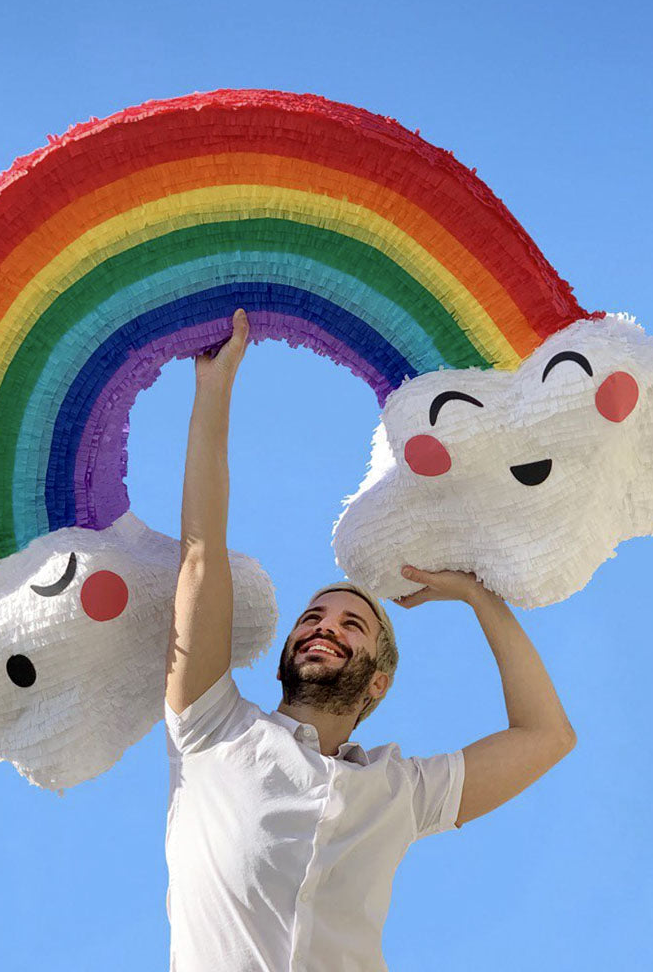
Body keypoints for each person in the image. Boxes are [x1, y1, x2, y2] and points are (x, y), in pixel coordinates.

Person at [164, 309, 576, 972]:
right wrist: (215, 390)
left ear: (378, 680)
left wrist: (480, 597)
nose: (325, 624)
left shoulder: (401, 794)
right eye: (313, 618)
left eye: (352, 624)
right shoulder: (212, 730)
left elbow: (547, 736)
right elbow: (201, 556)